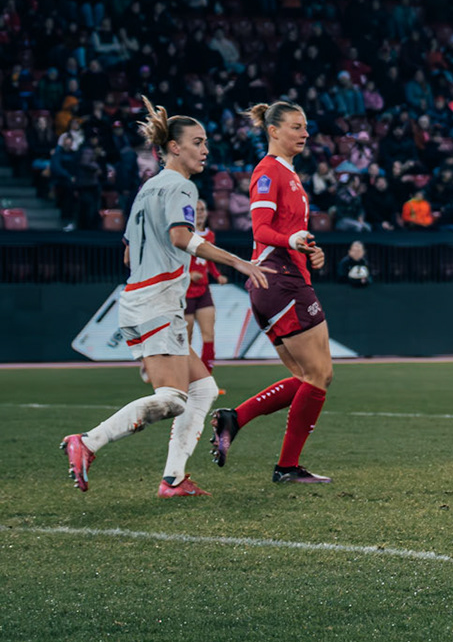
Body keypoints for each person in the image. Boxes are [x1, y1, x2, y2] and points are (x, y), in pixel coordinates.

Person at [62, 98, 269, 495]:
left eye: (205, 141)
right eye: (197, 141)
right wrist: (238, 262)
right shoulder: (180, 186)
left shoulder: (147, 189)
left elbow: (127, 253)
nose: (205, 148)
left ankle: (173, 479)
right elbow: (181, 236)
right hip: (157, 303)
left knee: (203, 389)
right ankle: (87, 442)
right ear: (174, 147)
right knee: (173, 399)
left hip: (140, 298)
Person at [208, 101, 336, 484]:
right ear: (273, 130)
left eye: (306, 126)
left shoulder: (290, 175)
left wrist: (309, 249)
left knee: (305, 377)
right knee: (320, 374)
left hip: (277, 282)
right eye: (296, 126)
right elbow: (261, 230)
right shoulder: (268, 171)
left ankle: (236, 418)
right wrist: (291, 240)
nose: (305, 133)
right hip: (280, 282)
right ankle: (286, 467)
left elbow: (286, 234)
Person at [183, 202, 224, 387]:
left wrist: (217, 275)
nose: (200, 213)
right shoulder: (183, 235)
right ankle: (185, 378)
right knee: (187, 337)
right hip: (186, 292)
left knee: (209, 334)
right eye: (196, 210)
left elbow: (210, 259)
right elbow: (175, 261)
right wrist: (188, 275)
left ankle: (206, 380)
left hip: (203, 290)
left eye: (202, 210)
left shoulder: (210, 235)